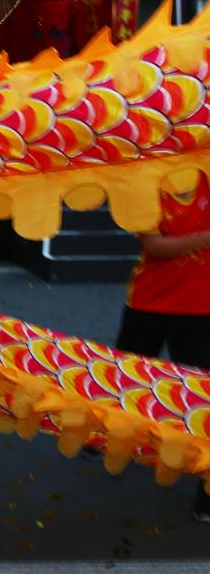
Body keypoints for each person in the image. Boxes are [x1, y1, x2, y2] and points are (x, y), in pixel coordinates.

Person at [117, 173, 210, 523]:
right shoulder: (143, 187)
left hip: (202, 310)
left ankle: (205, 490)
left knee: (201, 396)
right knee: (128, 381)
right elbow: (155, 246)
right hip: (149, 303)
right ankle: (112, 442)